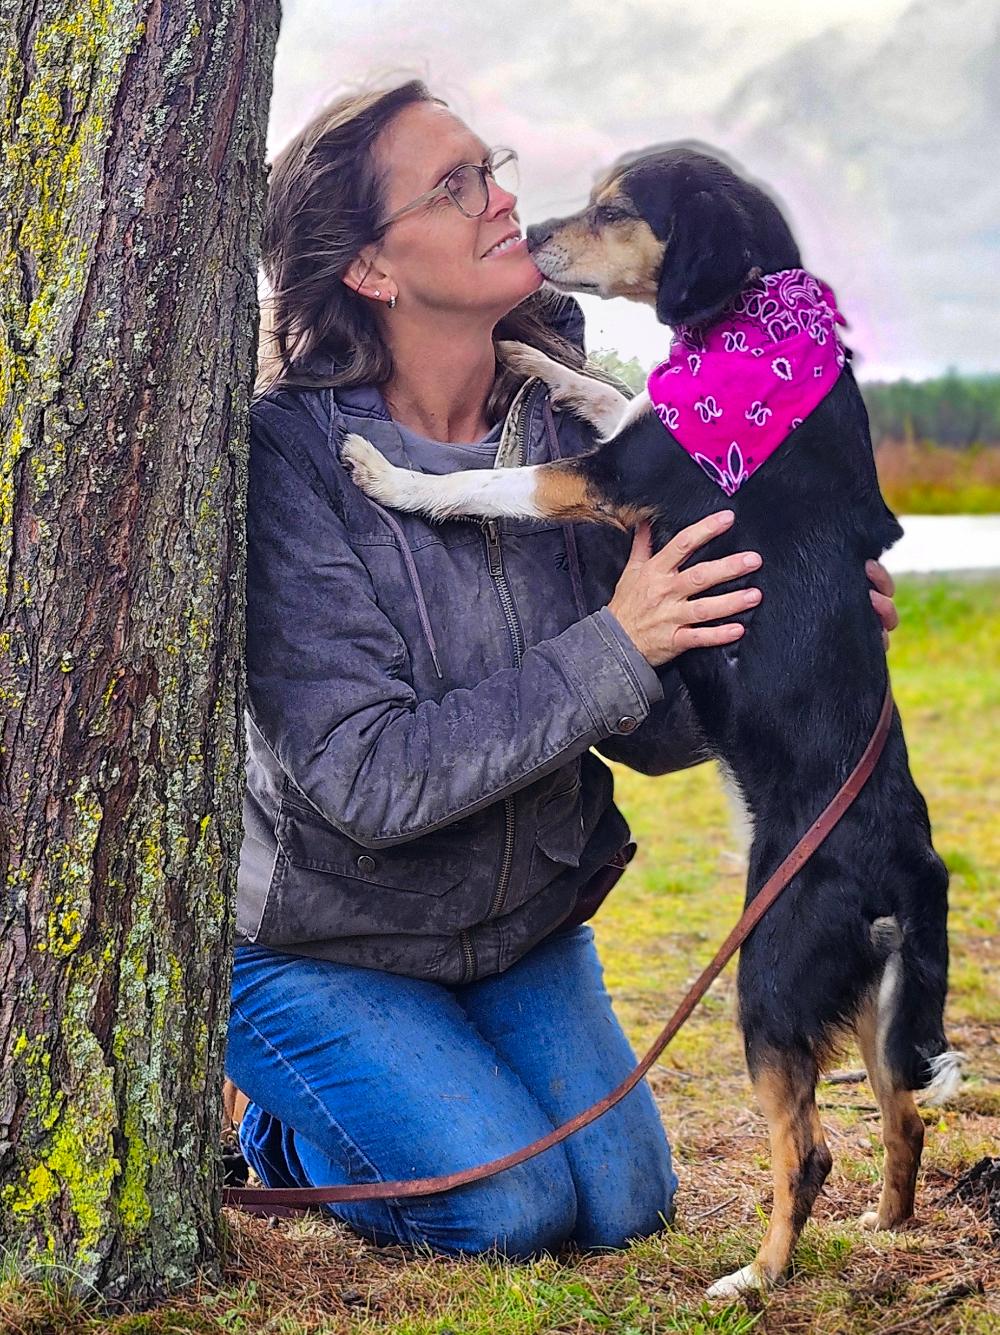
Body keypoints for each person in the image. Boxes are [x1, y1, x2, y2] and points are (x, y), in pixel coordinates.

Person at [225, 79, 899, 1259]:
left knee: (627, 1203)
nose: (501, 200)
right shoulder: (289, 460)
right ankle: (278, 1125)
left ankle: (422, 1080)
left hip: (516, 931)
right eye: (453, 187)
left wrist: (770, 629)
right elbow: (366, 780)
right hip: (320, 943)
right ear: (372, 269)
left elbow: (653, 733)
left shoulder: (580, 428)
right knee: (506, 1211)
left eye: (490, 167)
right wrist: (619, 640)